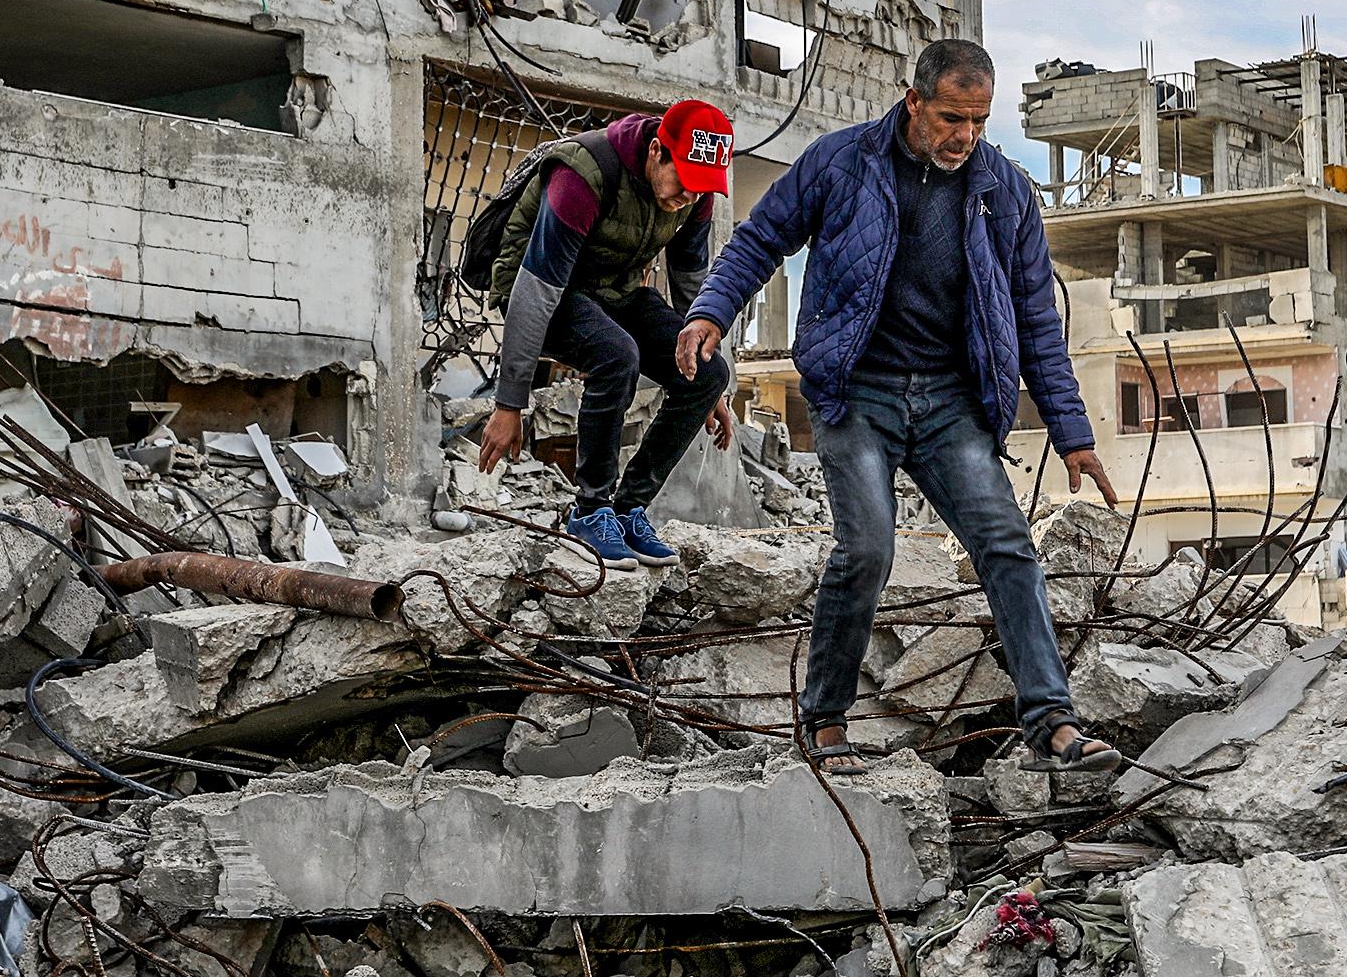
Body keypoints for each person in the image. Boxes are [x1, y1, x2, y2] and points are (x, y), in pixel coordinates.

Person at [677, 39, 1122, 772]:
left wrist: (1071, 432)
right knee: (868, 550)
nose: (964, 136)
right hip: (857, 392)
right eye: (951, 117)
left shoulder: (1004, 191)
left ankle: (1051, 725)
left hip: (954, 403)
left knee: (1008, 547)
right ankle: (823, 720)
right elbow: (758, 242)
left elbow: (1037, 319)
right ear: (913, 100)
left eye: (978, 122)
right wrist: (709, 315)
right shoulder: (840, 161)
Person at [477, 99, 739, 568]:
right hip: (538, 286)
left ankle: (628, 507)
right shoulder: (585, 175)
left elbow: (690, 289)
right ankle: (590, 511)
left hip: (613, 290)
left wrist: (704, 382)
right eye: (683, 181)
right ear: (657, 152)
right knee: (618, 354)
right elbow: (536, 292)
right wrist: (508, 403)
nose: (689, 197)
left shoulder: (694, 198)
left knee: (710, 372)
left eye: (701, 189)